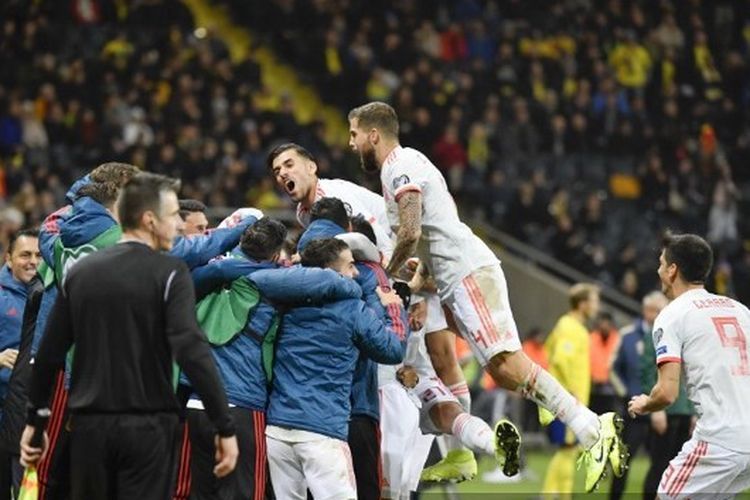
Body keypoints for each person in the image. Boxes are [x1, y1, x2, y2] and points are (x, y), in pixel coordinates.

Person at [347, 101, 626, 492]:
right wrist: (418, 279)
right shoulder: (407, 165)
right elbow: (431, 234)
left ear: (373, 135)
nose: (351, 143)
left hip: (466, 273)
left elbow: (410, 232)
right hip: (454, 276)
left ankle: (593, 429)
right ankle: (468, 447)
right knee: (478, 365)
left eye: (355, 134)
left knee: (505, 365)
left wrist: (386, 278)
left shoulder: (399, 165)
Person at [20, 172, 239, 500]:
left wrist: (36, 421)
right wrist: (225, 425)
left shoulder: (82, 270)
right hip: (148, 427)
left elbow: (51, 352)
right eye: (171, 217)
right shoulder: (169, 273)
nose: (177, 226)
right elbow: (191, 350)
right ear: (149, 220)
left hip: (89, 426)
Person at [268, 144, 475, 483]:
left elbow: (379, 236)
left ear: (312, 166)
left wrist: (407, 289)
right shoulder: (308, 215)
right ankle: (455, 449)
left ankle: (459, 451)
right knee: (423, 368)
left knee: (438, 358)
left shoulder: (333, 197)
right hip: (400, 272)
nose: (283, 174)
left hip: (415, 261)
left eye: (289, 165)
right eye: (277, 171)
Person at [255, 238, 408, 499]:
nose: (356, 272)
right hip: (322, 432)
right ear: (332, 273)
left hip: (278, 431)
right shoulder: (351, 309)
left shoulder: (285, 302)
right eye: (349, 266)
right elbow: (392, 350)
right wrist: (393, 308)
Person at [628, 232, 750, 497]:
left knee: (667, 494)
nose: (659, 270)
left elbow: (667, 393)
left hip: (721, 440)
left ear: (673, 270)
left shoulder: (672, 315)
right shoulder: (740, 310)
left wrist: (644, 404)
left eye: (661, 264)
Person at [185, 217, 287, 500]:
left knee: (201, 493)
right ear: (276, 254)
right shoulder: (275, 287)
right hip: (241, 403)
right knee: (244, 493)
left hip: (196, 403)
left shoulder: (201, 276)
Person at [609, 291, 668, 500]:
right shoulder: (627, 335)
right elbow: (613, 370)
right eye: (656, 310)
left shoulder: (669, 335)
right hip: (633, 412)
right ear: (646, 311)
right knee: (623, 462)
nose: (659, 314)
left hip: (661, 410)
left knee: (661, 463)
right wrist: (627, 395)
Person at [541, 283, 599, 496]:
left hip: (571, 400)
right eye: (594, 301)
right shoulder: (570, 327)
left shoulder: (570, 325)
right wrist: (572, 391)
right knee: (567, 449)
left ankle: (552, 494)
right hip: (569, 401)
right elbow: (560, 358)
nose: (596, 306)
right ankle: (557, 495)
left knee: (569, 449)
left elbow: (548, 350)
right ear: (582, 304)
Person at [0, 229, 40, 499]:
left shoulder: (48, 293)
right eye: (25, 255)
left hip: (27, 413)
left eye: (38, 255)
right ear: (8, 258)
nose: (33, 261)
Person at [589, 311, 620, 415]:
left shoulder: (618, 339)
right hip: (593, 387)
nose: (604, 326)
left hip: (611, 389)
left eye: (607, 324)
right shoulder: (591, 338)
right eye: (602, 323)